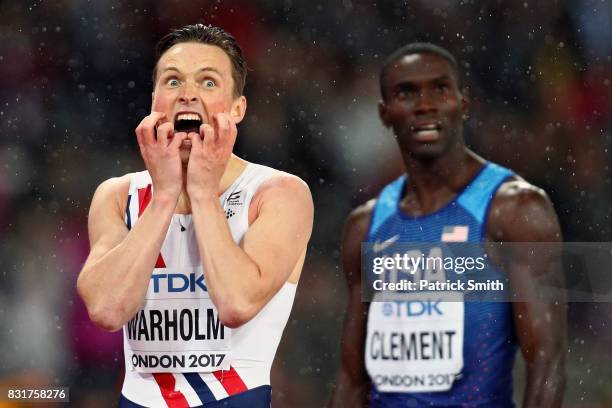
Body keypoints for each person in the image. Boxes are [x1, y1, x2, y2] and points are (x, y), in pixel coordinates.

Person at [77, 24, 313, 407]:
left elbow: (236, 303)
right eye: (172, 81)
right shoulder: (118, 194)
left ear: (237, 108)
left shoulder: (277, 192)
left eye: (207, 82)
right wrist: (165, 195)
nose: (187, 94)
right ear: (155, 101)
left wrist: (202, 193)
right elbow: (107, 309)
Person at [330, 43, 566, 407]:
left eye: (439, 89)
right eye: (406, 93)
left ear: (463, 104)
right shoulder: (365, 226)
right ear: (384, 113)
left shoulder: (515, 210)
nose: (425, 104)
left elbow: (546, 363)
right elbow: (351, 378)